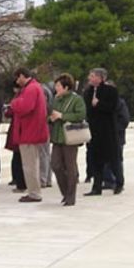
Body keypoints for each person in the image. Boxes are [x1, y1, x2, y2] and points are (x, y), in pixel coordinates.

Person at [9, 67, 49, 203]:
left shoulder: (30, 89)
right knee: (32, 163)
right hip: (32, 130)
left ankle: (34, 193)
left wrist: (14, 103)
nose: (16, 81)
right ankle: (34, 191)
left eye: (17, 78)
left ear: (22, 76)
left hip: (28, 131)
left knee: (29, 164)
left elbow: (25, 107)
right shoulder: (35, 87)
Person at [83, 68, 123, 196]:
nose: (89, 78)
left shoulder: (111, 91)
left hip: (108, 131)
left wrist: (99, 104)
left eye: (92, 76)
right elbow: (88, 110)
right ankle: (97, 187)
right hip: (94, 131)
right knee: (96, 160)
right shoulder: (88, 92)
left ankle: (119, 182)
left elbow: (113, 108)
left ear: (100, 78)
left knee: (113, 160)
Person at [48, 73, 86, 206]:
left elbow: (81, 115)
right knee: (55, 165)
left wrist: (62, 116)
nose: (56, 88)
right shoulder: (56, 99)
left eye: (58, 85)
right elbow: (51, 115)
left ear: (66, 87)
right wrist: (51, 118)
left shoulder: (77, 99)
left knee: (70, 167)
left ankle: (71, 196)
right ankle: (65, 192)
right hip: (57, 137)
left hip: (70, 137)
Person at [103, 82, 129, 191]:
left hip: (116, 137)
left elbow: (125, 120)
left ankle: (118, 181)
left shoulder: (120, 103)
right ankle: (108, 181)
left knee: (116, 160)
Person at [39, 82, 54, 188]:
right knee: (46, 154)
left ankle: (43, 178)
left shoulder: (42, 91)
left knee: (43, 154)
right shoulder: (46, 90)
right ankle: (47, 178)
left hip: (43, 128)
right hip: (46, 127)